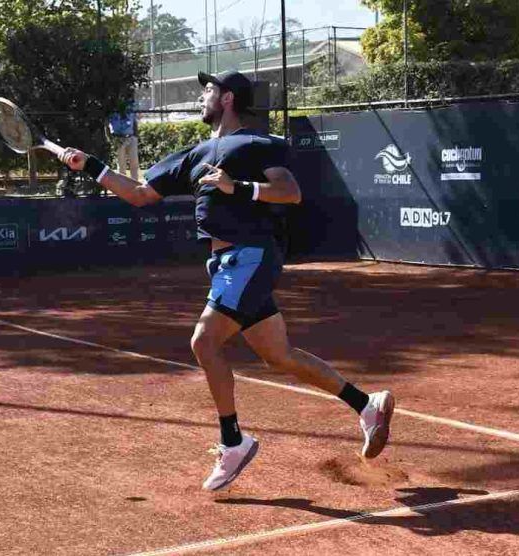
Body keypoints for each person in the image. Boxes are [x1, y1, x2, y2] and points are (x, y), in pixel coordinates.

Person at [58, 70, 395, 492]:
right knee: (279, 355)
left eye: (208, 90)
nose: (202, 96)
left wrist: (239, 187)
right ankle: (367, 406)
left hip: (249, 255)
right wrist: (91, 165)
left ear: (229, 98)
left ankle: (233, 441)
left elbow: (289, 192)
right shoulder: (193, 154)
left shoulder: (256, 143)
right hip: (224, 264)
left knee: (204, 342)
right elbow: (140, 194)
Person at [107, 106, 140, 180]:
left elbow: (135, 123)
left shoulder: (129, 109)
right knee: (121, 164)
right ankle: (122, 182)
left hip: (131, 137)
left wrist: (135, 137)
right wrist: (111, 138)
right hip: (118, 138)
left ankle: (135, 182)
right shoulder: (113, 111)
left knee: (134, 162)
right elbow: (107, 125)